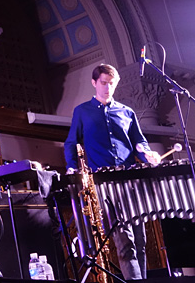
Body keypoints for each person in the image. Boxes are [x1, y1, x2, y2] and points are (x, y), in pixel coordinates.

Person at [63, 63, 160, 280]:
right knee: (125, 244)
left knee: (141, 242)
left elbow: (139, 142)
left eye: (112, 84)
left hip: (131, 182)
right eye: (104, 83)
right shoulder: (82, 112)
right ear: (94, 83)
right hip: (105, 185)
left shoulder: (127, 112)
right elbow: (71, 143)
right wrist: (72, 168)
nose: (108, 88)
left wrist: (148, 154)